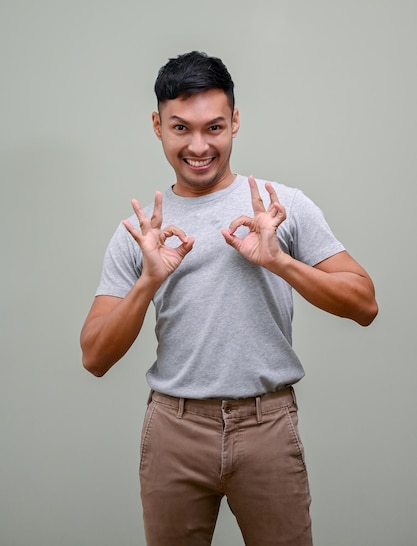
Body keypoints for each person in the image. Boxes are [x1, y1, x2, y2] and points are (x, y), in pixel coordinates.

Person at [80, 50, 378, 546]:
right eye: (181, 129)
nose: (199, 146)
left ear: (235, 121)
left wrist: (280, 261)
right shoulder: (138, 232)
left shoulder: (282, 207)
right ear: (157, 125)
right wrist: (147, 281)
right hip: (174, 429)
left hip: (268, 425)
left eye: (214, 127)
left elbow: (364, 303)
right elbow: (94, 356)